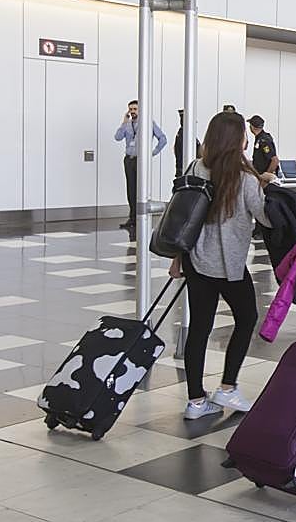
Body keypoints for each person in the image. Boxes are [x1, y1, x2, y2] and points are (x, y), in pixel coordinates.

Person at [168, 111, 271, 419]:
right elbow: (265, 217)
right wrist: (270, 189)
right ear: (237, 140)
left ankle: (196, 401)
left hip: (197, 262)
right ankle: (227, 388)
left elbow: (182, 215)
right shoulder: (246, 177)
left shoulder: (196, 167)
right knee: (247, 317)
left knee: (199, 328)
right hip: (230, 266)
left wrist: (177, 259)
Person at [113, 99, 167, 231]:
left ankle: (139, 218)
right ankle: (132, 218)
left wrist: (152, 153)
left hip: (140, 160)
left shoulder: (149, 123)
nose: (132, 112)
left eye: (135, 109)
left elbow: (163, 139)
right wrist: (124, 122)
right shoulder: (127, 125)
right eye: (130, 109)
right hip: (129, 159)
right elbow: (118, 137)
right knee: (130, 189)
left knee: (139, 190)